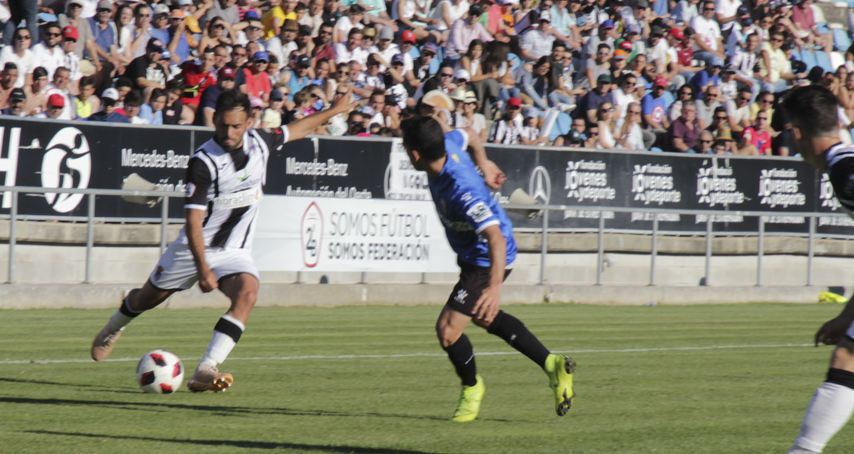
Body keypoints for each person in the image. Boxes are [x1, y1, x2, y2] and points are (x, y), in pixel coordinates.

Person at [89, 89, 358, 394]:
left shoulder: (262, 142)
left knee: (247, 294)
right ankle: (114, 327)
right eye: (222, 126)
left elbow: (299, 128)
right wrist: (203, 270)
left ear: (248, 122)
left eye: (236, 126)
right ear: (215, 120)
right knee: (145, 300)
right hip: (194, 250)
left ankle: (206, 368)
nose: (228, 133)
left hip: (234, 251)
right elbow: (192, 222)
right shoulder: (203, 162)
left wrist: (333, 111)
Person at [739, 85, 854, 454]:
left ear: (796, 132)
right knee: (849, 355)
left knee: (849, 358)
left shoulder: (846, 169)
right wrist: (847, 316)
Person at [398, 112, 575, 422]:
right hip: (475, 255)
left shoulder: (462, 189)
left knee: (448, 331)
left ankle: (472, 389)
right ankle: (552, 364)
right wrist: (485, 161)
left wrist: (494, 288)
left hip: (489, 256)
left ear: (415, 154)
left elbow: (494, 239)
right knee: (482, 316)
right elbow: (470, 133)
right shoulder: (448, 143)